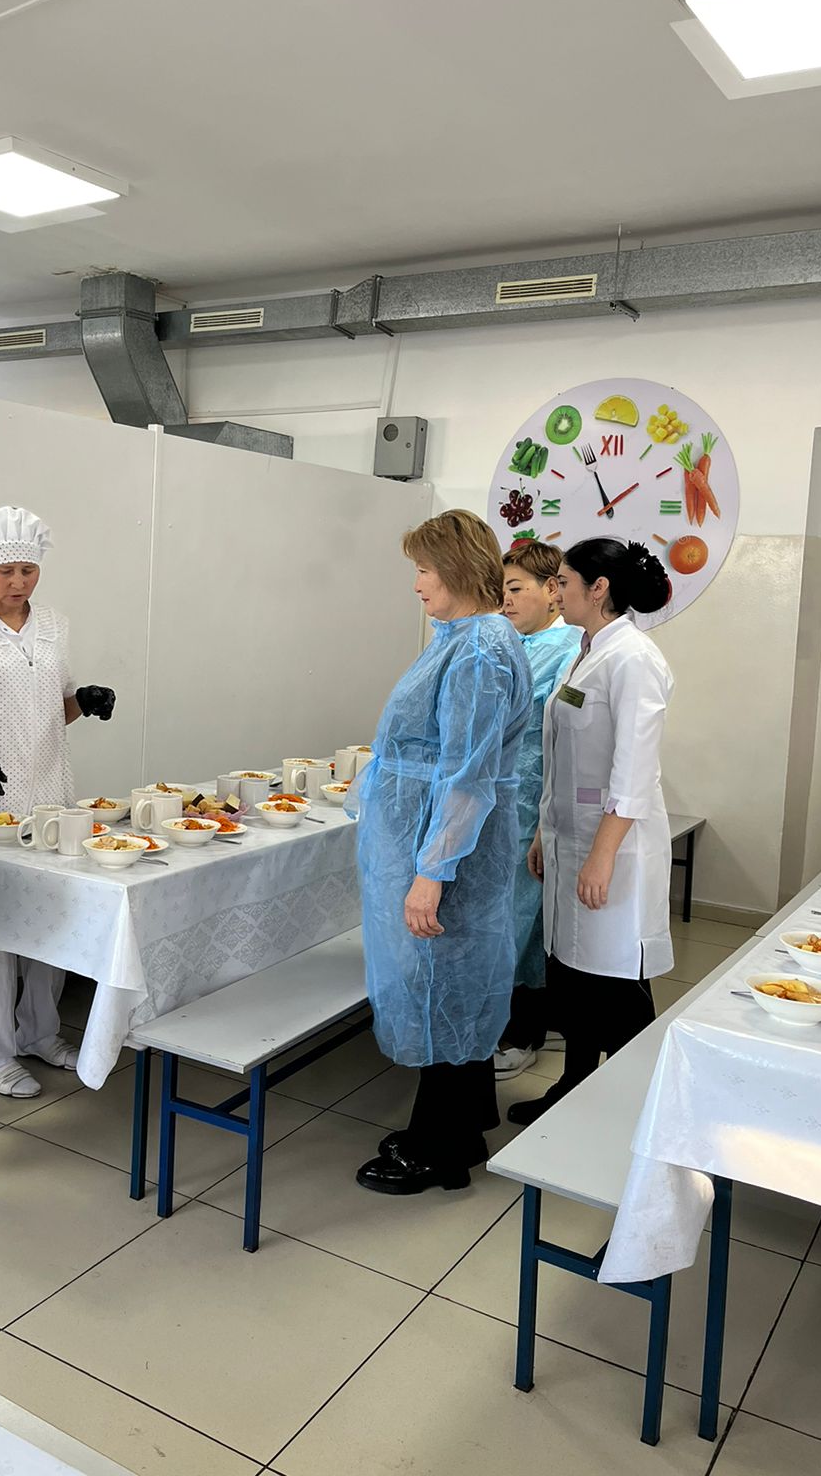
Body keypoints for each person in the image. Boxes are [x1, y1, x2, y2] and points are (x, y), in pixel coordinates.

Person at [350, 510, 532, 1195]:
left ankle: (439, 1151)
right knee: (455, 985)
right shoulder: (465, 639)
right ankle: (466, 1122)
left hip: (449, 851)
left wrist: (432, 872)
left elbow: (466, 774)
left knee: (440, 986)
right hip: (438, 840)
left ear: (455, 570)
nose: (417, 584)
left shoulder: (480, 652)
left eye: (424, 570)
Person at [0, 506, 116, 1099]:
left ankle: (39, 1032)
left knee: (53, 916)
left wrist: (83, 700)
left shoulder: (54, 625)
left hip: (49, 794)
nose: (18, 582)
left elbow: (51, 708)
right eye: (6, 571)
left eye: (28, 571)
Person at [508, 538, 674, 1127]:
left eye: (563, 581)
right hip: (567, 837)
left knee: (616, 982)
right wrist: (543, 832)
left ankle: (639, 1112)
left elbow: (633, 770)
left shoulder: (633, 658)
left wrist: (601, 857)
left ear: (598, 588)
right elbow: (559, 756)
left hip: (614, 848)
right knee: (573, 976)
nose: (555, 591)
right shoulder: (585, 651)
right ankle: (573, 1086)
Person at [494, 543, 581, 1079]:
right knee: (506, 918)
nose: (505, 600)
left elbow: (564, 744)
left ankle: (521, 1031)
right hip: (502, 804)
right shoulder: (512, 643)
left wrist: (545, 826)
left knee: (522, 924)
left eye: (515, 588)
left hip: (534, 806)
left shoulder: (568, 648)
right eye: (500, 590)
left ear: (553, 591)